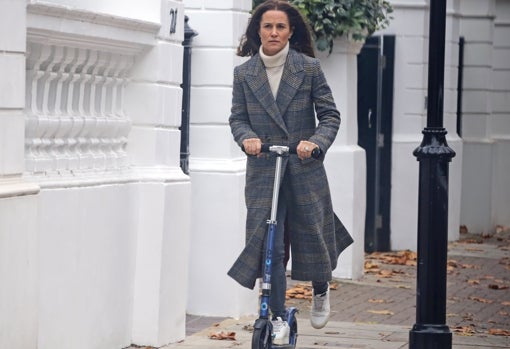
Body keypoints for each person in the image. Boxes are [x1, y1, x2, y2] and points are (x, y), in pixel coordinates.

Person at [227, 0, 353, 341]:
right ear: (258, 31)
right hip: (265, 169)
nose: (273, 32)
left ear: (290, 31)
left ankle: (320, 288)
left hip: (303, 165)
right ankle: (277, 315)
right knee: (272, 242)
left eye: (280, 26)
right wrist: (248, 137)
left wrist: (315, 143)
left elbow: (330, 115)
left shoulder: (308, 68)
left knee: (312, 232)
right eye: (267, 26)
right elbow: (237, 117)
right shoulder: (244, 73)